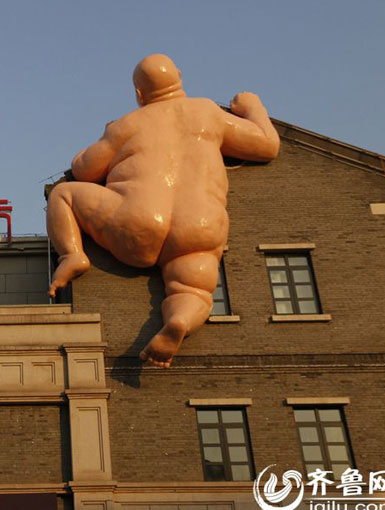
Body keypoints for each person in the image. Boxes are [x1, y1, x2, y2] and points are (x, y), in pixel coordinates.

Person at [46, 54, 280, 367]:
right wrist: (253, 108)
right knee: (193, 289)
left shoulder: (125, 125)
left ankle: (72, 255)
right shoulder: (207, 112)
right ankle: (180, 320)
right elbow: (267, 145)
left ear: (139, 95)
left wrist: (96, 144)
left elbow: (84, 169)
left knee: (63, 195)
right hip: (198, 223)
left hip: (135, 222)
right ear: (180, 77)